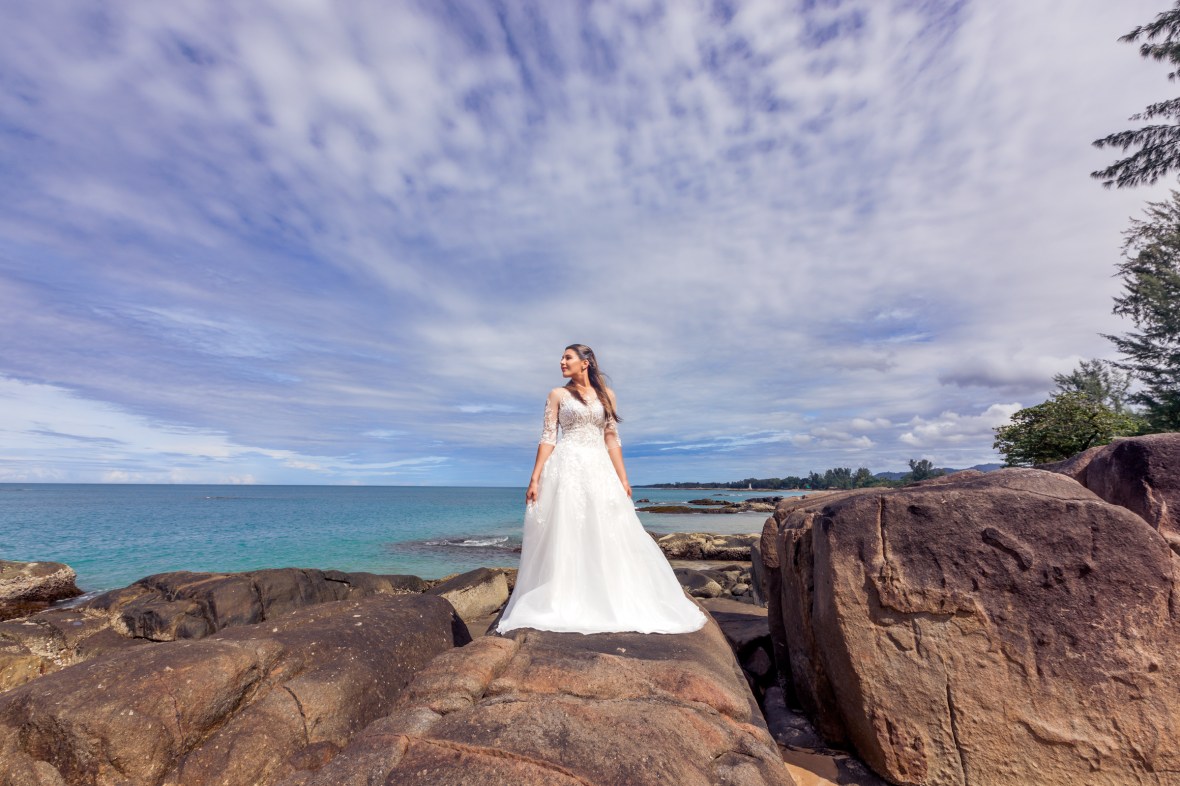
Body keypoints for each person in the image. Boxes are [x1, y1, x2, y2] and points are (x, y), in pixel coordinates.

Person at [494, 344, 707, 635]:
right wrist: (535, 478)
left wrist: (624, 479)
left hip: (598, 468)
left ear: (585, 362)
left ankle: (609, 593)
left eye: (567, 357)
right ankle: (566, 595)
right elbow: (547, 437)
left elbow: (611, 438)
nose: (561, 362)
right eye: (562, 358)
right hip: (566, 467)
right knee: (567, 528)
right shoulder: (557, 394)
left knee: (607, 528)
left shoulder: (608, 396)